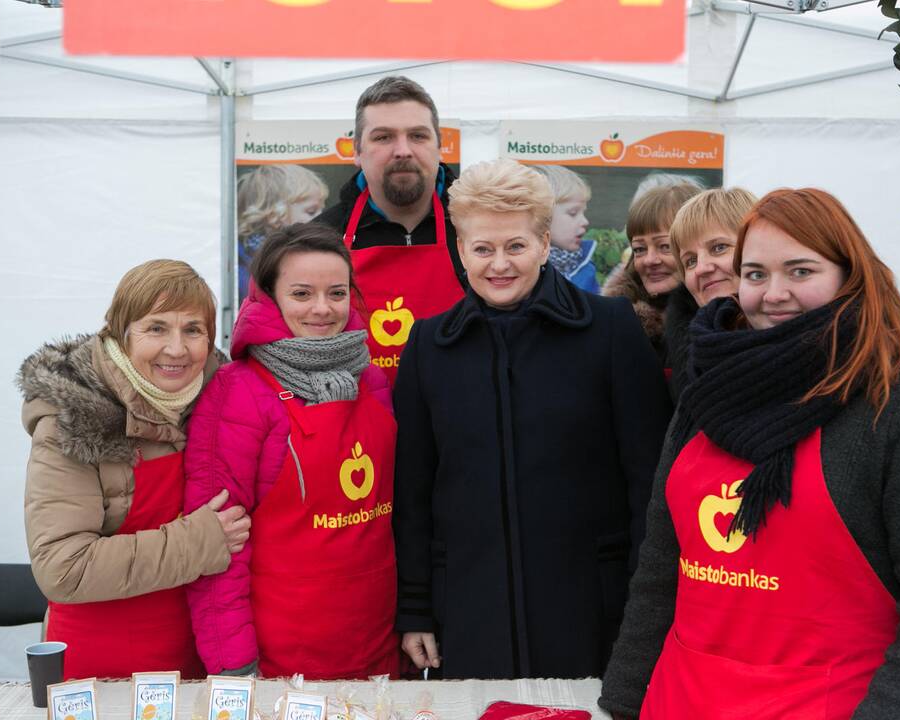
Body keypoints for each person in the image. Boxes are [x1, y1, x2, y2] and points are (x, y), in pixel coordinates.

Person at [600, 188, 900, 719]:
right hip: (681, 702)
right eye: (754, 274)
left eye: (800, 271)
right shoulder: (708, 393)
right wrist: (622, 704)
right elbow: (663, 575)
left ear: (851, 276)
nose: (773, 294)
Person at [393, 159, 672, 680]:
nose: (499, 264)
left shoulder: (611, 331)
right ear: (461, 250)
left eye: (516, 246)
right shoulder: (429, 347)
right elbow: (413, 493)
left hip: (592, 612)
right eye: (483, 249)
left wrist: (644, 606)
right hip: (471, 615)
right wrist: (415, 608)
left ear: (544, 245)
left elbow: (649, 483)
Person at [18, 260, 250, 680]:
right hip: (100, 667)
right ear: (121, 333)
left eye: (193, 330)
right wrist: (200, 540)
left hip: (197, 656)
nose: (177, 349)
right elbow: (63, 568)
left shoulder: (222, 406)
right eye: (156, 328)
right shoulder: (71, 421)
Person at [184, 223, 396, 680]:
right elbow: (217, 549)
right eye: (302, 293)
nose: (323, 309)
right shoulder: (237, 391)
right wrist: (235, 665)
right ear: (270, 299)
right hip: (283, 653)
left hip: (376, 639)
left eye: (337, 293)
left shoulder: (372, 380)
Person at [314, 76, 465, 383]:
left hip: (457, 423)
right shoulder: (317, 239)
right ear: (356, 151)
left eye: (418, 136)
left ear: (439, 148)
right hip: (355, 422)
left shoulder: (477, 228)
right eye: (383, 137)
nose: (403, 151)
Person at [664, 187, 757, 397]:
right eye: (690, 261)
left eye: (718, 248)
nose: (701, 268)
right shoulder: (685, 356)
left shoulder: (812, 337)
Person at [602, 183, 701, 373]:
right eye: (639, 249)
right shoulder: (615, 327)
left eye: (665, 246)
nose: (649, 260)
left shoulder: (732, 322)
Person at [237, 165, 329, 305]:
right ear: (274, 215)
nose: (321, 218)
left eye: (322, 210)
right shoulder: (248, 269)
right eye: (311, 211)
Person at [532, 165, 599, 294]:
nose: (585, 222)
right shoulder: (525, 271)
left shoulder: (586, 266)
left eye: (583, 213)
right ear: (541, 216)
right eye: (573, 213)